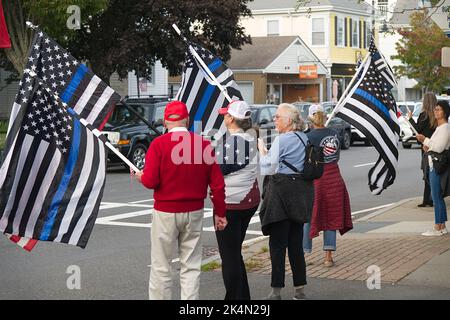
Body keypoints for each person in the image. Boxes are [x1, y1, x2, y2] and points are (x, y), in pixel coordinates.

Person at [133, 100, 227, 300]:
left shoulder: (158, 144)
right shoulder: (203, 145)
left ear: (165, 122)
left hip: (165, 212)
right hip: (194, 211)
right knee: (191, 265)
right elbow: (218, 185)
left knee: (161, 266)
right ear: (188, 121)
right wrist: (221, 212)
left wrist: (140, 176)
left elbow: (151, 181)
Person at [258, 103, 314, 300]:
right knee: (296, 245)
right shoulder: (304, 137)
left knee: (277, 245)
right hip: (300, 196)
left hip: (281, 197)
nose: (274, 120)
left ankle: (276, 291)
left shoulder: (282, 140)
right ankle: (300, 289)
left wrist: (262, 151)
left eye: (277, 117)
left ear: (288, 121)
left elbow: (268, 168)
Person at [215, 100, 260, 300]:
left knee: (229, 256)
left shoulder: (236, 142)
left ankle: (234, 300)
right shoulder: (248, 138)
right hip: (247, 201)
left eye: (225, 114)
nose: (223, 116)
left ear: (231, 118)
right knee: (235, 252)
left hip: (232, 203)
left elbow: (218, 170)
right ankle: (243, 297)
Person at [303, 104, 353, 267]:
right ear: (324, 117)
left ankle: (303, 253)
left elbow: (306, 160)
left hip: (316, 179)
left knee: (308, 215)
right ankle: (328, 257)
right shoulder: (334, 134)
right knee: (331, 216)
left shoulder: (308, 137)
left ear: (310, 118)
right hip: (334, 177)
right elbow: (336, 157)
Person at [416, 100, 450, 236]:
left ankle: (438, 227)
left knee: (436, 196)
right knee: (437, 196)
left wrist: (424, 139)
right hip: (432, 163)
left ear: (445, 112)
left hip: (436, 165)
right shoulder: (439, 128)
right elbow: (433, 145)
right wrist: (427, 145)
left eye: (439, 109)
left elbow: (439, 147)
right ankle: (442, 225)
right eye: (435, 109)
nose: (436, 111)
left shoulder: (445, 128)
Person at [408, 92, 438, 207]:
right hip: (436, 145)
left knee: (427, 172)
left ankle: (428, 199)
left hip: (425, 147)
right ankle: (430, 198)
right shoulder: (437, 115)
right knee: (434, 171)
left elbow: (417, 131)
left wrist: (410, 119)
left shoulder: (423, 115)